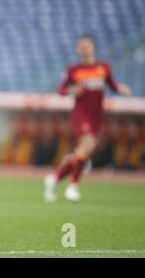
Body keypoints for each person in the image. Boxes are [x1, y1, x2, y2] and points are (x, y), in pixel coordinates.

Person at [44, 35, 131, 202]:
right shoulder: (73, 70)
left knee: (83, 152)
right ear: (77, 49)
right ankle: (73, 186)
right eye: (80, 46)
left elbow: (111, 85)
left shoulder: (103, 68)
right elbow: (61, 90)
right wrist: (72, 91)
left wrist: (121, 88)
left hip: (96, 116)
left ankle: (54, 179)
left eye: (86, 45)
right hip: (80, 115)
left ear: (92, 47)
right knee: (88, 144)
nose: (84, 48)